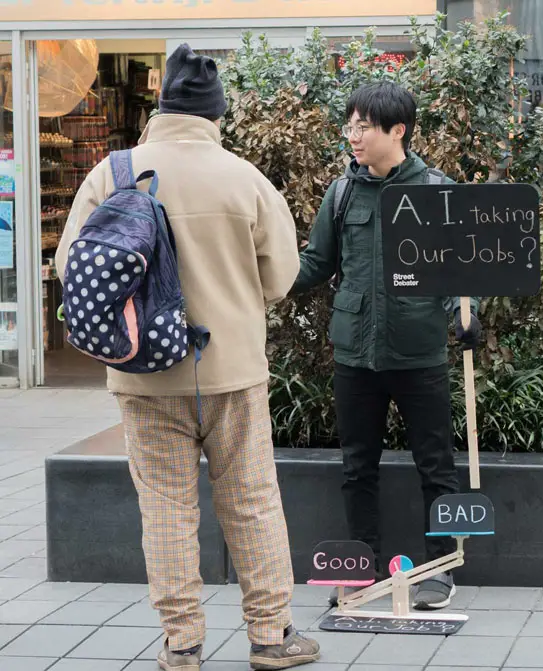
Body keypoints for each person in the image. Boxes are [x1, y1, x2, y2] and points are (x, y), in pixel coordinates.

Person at [56, 44, 320, 671]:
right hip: (231, 372)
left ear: (160, 107)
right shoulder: (244, 177)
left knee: (166, 508)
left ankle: (181, 644)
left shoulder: (110, 174)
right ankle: (271, 636)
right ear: (215, 114)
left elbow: (70, 266)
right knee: (252, 498)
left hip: (143, 375)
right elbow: (282, 278)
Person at [291, 81, 481, 611]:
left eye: (362, 127)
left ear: (396, 130)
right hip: (355, 356)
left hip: (419, 354)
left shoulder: (436, 190)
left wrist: (468, 318)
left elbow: (462, 273)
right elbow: (315, 265)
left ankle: (440, 569)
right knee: (357, 468)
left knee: (436, 468)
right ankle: (358, 569)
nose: (352, 136)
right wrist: (265, 275)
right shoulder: (341, 193)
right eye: (349, 125)